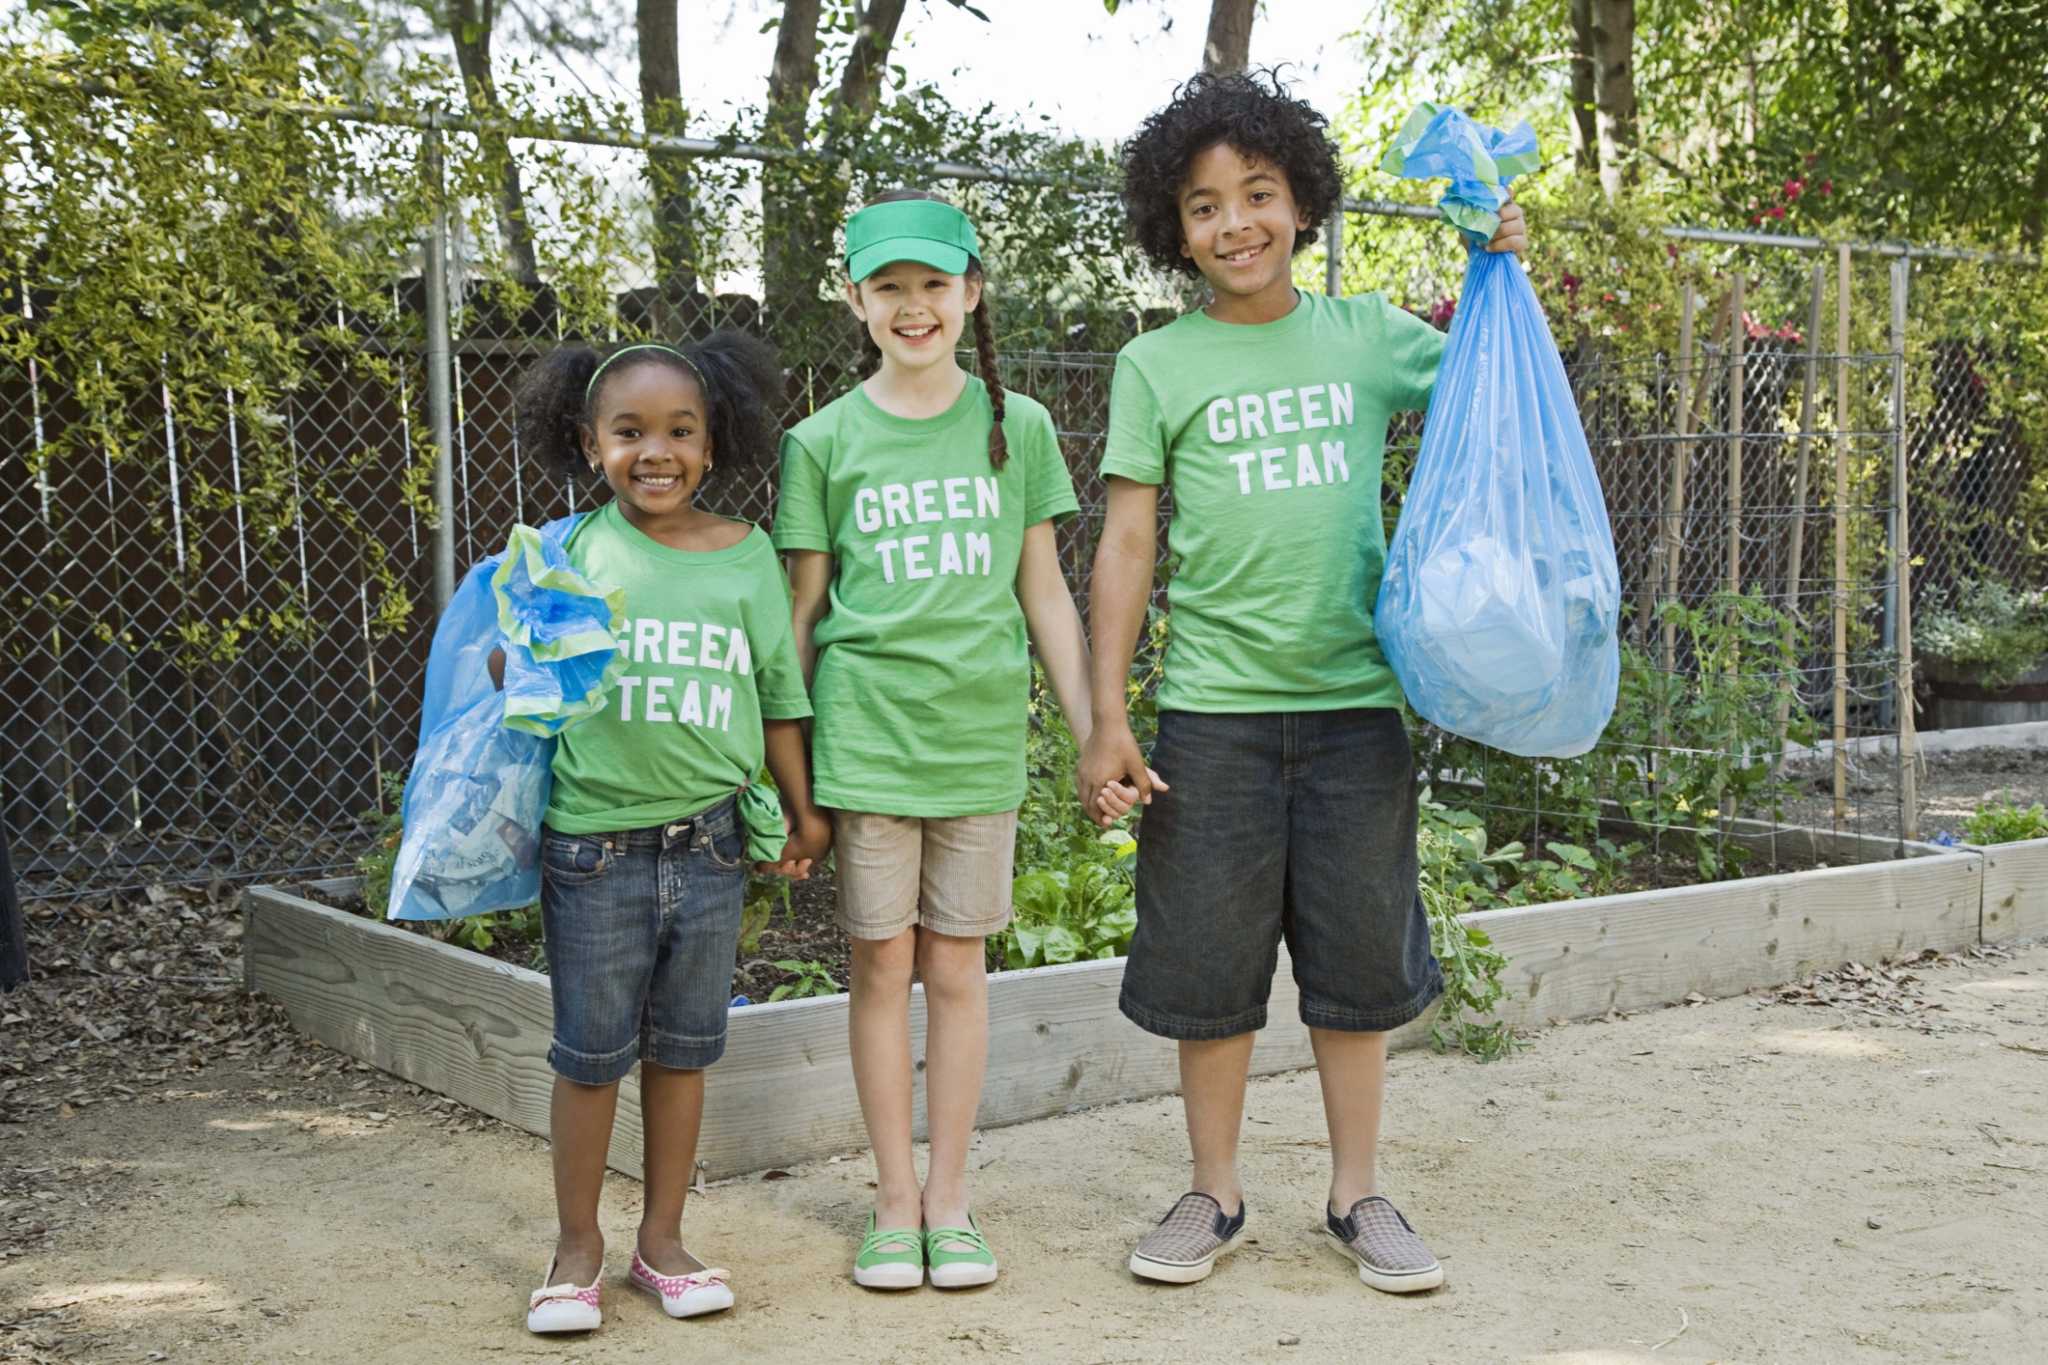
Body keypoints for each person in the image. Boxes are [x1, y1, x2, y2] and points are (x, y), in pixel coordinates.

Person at [1076, 71, 1529, 1294]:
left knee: (1354, 967)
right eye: (1204, 205)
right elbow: (1124, 542)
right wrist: (1105, 717)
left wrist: (1499, 266)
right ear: (1173, 231)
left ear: (1301, 202)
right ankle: (1212, 1196)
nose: (1235, 224)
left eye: (1258, 194)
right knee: (1210, 975)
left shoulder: (1368, 336)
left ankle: (1355, 1195)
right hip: (1210, 722)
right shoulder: (1155, 365)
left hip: (1353, 717)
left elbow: (1501, 393)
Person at [774, 190, 1142, 1290]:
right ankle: (891, 1205)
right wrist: (782, 776)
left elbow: (1045, 596)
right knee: (881, 966)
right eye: (889, 286)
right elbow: (798, 616)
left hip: (975, 741)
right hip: (864, 741)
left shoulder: (1013, 427)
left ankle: (950, 1201)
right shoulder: (819, 440)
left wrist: (1094, 734)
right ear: (855, 301)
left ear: (968, 292)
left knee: (959, 968)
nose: (913, 305)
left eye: (934, 284)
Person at [512, 331, 829, 1333]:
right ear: (587, 441)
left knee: (684, 1053)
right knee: (589, 1056)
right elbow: (519, 685)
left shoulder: (747, 558)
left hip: (710, 848)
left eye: (679, 431)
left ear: (712, 439)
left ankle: (662, 1241)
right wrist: (511, 662)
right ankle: (575, 1250)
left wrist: (802, 806)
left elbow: (779, 698)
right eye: (629, 432)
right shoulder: (565, 555)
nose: (656, 451)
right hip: (591, 850)